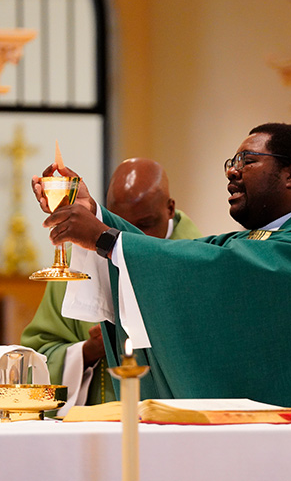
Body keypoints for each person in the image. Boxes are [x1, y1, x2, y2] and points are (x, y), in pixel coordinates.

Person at [31, 122, 291, 424]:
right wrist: (94, 213)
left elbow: (215, 269)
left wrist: (104, 237)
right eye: (232, 162)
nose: (232, 171)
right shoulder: (261, 240)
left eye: (248, 161)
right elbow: (193, 256)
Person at [21, 158, 202, 413]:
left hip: (173, 424)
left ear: (170, 209)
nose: (128, 237)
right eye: (117, 224)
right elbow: (38, 360)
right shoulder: (80, 264)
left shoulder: (196, 261)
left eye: (145, 225)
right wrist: (87, 351)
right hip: (96, 426)